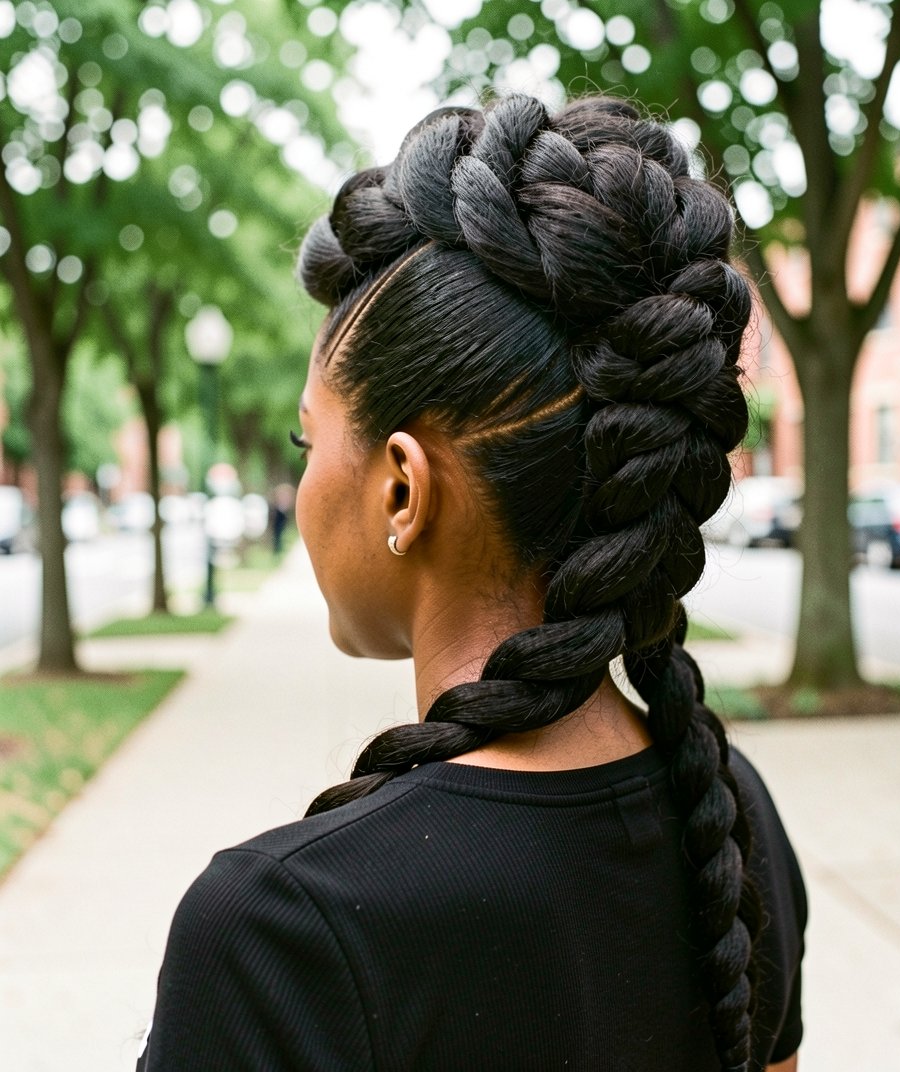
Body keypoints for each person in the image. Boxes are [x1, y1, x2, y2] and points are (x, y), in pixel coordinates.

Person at [137, 94, 806, 1071]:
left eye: (306, 439)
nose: (299, 477)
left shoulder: (283, 929)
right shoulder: (729, 815)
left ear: (403, 486)